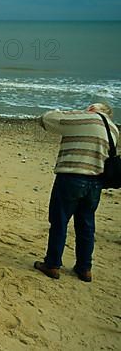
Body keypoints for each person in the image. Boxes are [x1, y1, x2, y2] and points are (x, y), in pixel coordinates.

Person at [34, 103, 118, 282]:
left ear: (94, 110)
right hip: (95, 182)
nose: (86, 109)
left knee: (59, 221)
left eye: (89, 107)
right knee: (86, 225)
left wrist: (66, 111)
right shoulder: (113, 129)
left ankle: (52, 264)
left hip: (72, 177)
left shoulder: (85, 118)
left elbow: (47, 119)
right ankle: (84, 268)